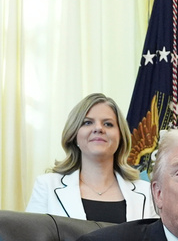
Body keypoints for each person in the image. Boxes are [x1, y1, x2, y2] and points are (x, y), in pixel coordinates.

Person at [26, 93, 154, 223]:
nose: (98, 128)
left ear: (121, 137)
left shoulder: (146, 191)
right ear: (74, 134)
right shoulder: (47, 186)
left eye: (108, 124)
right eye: (87, 122)